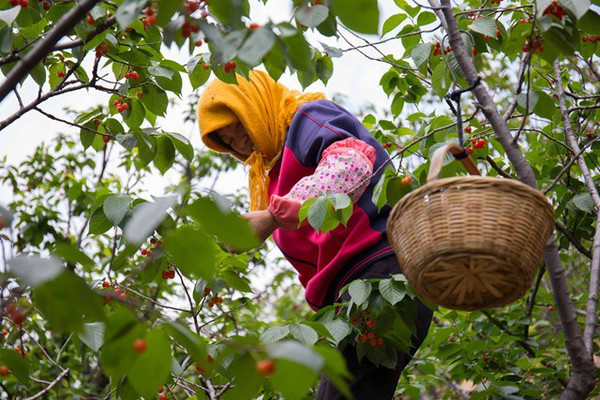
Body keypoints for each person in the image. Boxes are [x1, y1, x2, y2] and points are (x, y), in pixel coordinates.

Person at [197, 70, 433, 400]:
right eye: (227, 141)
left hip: (381, 275)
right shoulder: (272, 177)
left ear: (254, 104)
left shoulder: (306, 117)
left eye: (237, 124)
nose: (239, 142)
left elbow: (351, 164)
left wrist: (271, 217)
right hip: (351, 298)